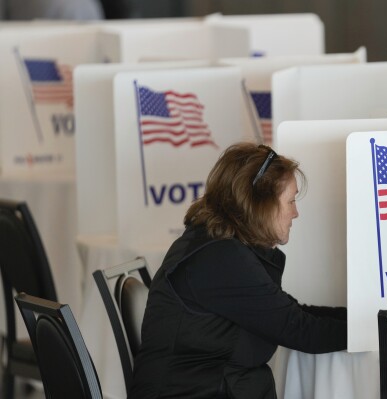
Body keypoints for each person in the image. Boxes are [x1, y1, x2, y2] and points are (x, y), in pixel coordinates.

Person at [130, 143, 347, 399]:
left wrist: (365, 321)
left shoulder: (214, 246)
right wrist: (375, 331)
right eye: (290, 201)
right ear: (260, 206)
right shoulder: (219, 258)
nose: (295, 213)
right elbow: (300, 330)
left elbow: (291, 313)